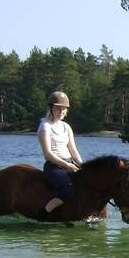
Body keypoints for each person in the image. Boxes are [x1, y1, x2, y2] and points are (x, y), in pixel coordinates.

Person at [36, 90, 83, 220]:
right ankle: (43, 213)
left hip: (70, 163)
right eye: (58, 108)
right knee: (67, 191)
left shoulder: (66, 127)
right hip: (54, 166)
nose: (61, 111)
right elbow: (48, 154)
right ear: (51, 108)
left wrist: (82, 165)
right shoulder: (45, 127)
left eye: (64, 109)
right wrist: (66, 165)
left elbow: (73, 150)